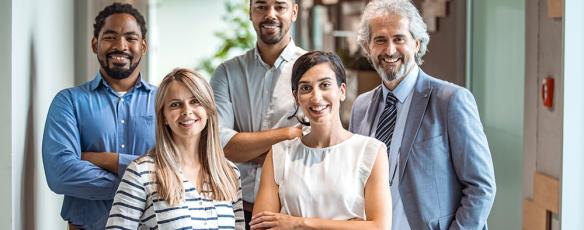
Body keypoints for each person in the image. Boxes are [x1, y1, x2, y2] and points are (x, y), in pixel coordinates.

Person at [350, 0, 496, 229]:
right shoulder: (361, 107)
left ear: (416, 44)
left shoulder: (450, 101)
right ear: (368, 48)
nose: (389, 50)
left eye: (399, 39)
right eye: (380, 40)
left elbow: (481, 187)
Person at [42, 3, 155, 229]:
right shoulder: (69, 102)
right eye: (110, 37)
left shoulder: (165, 103)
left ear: (143, 46)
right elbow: (60, 173)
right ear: (95, 44)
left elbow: (180, 170)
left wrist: (105, 160)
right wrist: (146, 183)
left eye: (130, 38)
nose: (120, 46)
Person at [251, 51, 392, 230]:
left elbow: (380, 227)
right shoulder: (279, 154)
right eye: (306, 88)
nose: (316, 97)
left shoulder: (371, 151)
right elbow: (261, 226)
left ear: (342, 91)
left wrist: (297, 223)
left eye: (325, 85)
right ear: (296, 98)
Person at [106, 68, 244, 229]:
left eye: (195, 101)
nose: (187, 111)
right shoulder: (141, 172)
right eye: (175, 105)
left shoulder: (229, 173)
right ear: (163, 116)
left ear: (208, 110)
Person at [210, 0, 306, 226]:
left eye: (279, 7)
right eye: (261, 6)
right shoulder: (227, 73)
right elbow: (219, 145)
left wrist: (243, 148)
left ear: (294, 12)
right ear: (250, 13)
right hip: (233, 209)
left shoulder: (314, 69)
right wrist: (289, 134)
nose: (270, 14)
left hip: (291, 214)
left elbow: (312, 146)